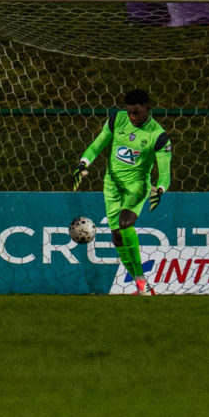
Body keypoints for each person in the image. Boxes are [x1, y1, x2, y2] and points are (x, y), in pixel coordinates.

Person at [76, 89, 170, 295]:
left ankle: (142, 283)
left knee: (125, 222)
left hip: (137, 186)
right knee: (117, 237)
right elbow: (96, 145)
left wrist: (160, 189)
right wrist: (83, 162)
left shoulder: (158, 135)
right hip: (111, 184)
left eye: (136, 112)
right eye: (129, 112)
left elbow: (165, 174)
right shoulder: (116, 120)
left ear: (147, 108)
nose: (132, 117)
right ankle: (141, 284)